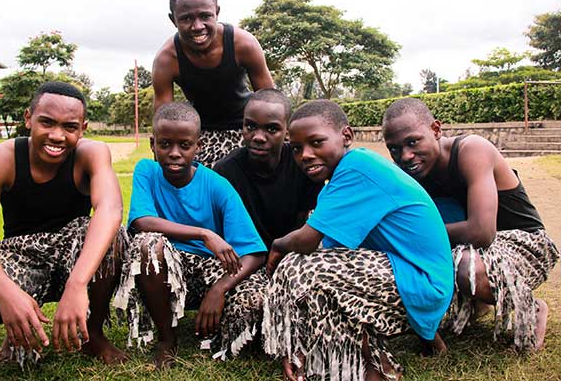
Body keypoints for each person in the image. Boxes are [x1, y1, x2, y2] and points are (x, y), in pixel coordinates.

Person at [263, 100, 454, 381]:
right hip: (413, 274)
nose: (305, 155)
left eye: (316, 142)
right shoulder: (345, 174)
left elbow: (305, 241)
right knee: (318, 269)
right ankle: (334, 353)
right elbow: (334, 247)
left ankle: (370, 366)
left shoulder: (357, 168)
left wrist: (277, 244)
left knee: (302, 267)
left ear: (347, 136)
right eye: (296, 148)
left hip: (424, 282)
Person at [0, 81, 128, 366]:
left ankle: (92, 335)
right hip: (22, 255)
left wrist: (77, 284)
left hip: (74, 252)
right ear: (28, 118)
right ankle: (19, 333)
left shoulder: (92, 154)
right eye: (46, 122)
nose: (57, 136)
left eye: (69, 127)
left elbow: (110, 208)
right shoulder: (0, 159)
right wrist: (8, 293)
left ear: (83, 128)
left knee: (113, 236)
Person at [382, 97, 559, 352]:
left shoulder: (472, 150)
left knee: (467, 267)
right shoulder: (410, 175)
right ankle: (478, 302)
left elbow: (481, 232)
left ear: (435, 129)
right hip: (471, 250)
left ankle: (532, 309)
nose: (405, 156)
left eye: (412, 142)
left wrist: (417, 236)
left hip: (526, 245)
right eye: (394, 148)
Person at [112, 102, 267, 369]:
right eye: (165, 144)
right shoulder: (147, 171)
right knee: (148, 245)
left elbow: (254, 252)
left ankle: (216, 332)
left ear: (199, 146)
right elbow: (141, 222)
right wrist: (204, 233)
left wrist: (219, 289)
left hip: (209, 270)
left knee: (254, 301)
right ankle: (166, 337)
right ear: (152, 144)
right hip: (164, 269)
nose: (174, 153)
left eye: (184, 145)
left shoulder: (217, 185)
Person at [152, 0, 274, 168]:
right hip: (201, 134)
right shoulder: (167, 59)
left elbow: (270, 101)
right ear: (173, 19)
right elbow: (163, 120)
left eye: (205, 16)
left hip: (246, 128)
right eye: (186, 18)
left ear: (216, 12)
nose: (197, 26)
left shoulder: (243, 44)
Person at [213, 89, 322, 248]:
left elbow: (302, 222)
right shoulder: (225, 171)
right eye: (250, 126)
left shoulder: (303, 165)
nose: (258, 137)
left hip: (289, 251)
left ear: (287, 132)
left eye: (271, 129)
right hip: (244, 255)